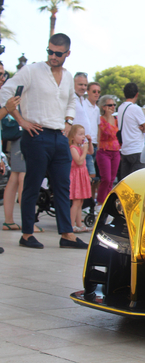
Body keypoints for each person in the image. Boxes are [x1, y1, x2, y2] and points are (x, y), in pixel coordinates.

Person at [0, 33, 88, 249]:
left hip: (59, 136)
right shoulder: (32, 70)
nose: (53, 56)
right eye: (50, 51)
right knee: (32, 185)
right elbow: (6, 93)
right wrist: (21, 121)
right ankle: (27, 234)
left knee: (63, 186)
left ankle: (67, 234)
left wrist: (68, 122)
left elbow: (70, 101)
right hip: (35, 135)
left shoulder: (68, 76)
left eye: (58, 53)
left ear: (68, 53)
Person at [1, 97, 24, 245]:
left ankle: (9, 220)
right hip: (22, 137)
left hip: (15, 139)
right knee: (22, 177)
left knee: (15, 177)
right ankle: (28, 222)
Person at [118, 82, 145, 178]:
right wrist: (142, 128)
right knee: (139, 181)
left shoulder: (120, 108)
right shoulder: (135, 108)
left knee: (126, 182)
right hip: (137, 149)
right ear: (137, 94)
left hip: (125, 150)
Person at [95, 95, 120, 210]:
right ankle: (100, 202)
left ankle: (107, 203)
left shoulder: (116, 120)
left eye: (114, 105)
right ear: (103, 107)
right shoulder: (100, 120)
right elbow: (103, 133)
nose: (113, 107)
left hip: (116, 151)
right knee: (105, 178)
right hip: (104, 151)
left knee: (112, 179)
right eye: (110, 105)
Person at [68, 124, 93, 233]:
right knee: (76, 201)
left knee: (81, 201)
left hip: (82, 175)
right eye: (80, 134)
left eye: (83, 134)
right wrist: (84, 150)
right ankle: (71, 224)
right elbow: (79, 161)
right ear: (73, 137)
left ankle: (79, 224)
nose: (83, 137)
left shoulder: (80, 147)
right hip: (76, 176)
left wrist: (90, 143)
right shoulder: (73, 148)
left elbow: (91, 152)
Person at [85, 81, 101, 198]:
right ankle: (85, 201)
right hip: (85, 144)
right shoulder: (83, 105)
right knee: (91, 175)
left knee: (97, 178)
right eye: (94, 91)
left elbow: (98, 126)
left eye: (98, 92)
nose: (96, 94)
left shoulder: (97, 108)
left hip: (95, 145)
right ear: (88, 92)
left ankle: (91, 201)